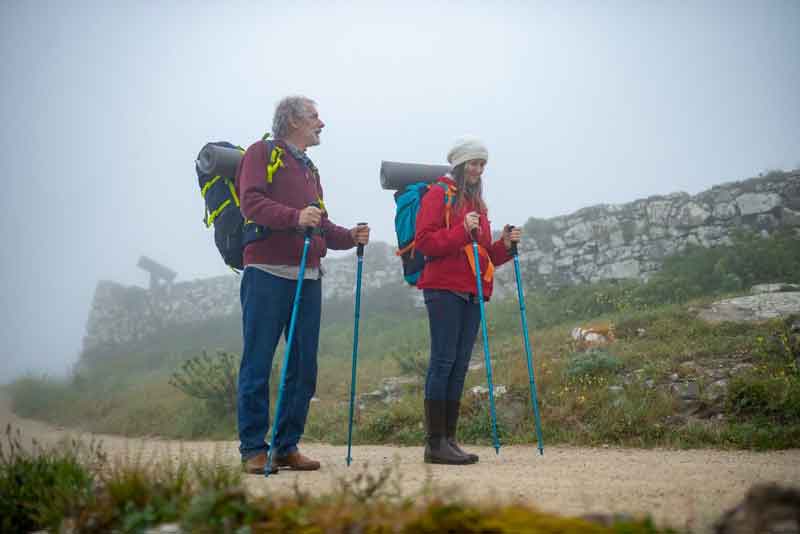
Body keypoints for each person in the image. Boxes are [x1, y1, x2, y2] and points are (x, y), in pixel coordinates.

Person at [236, 96, 370, 473]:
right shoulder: (261, 153)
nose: (321, 123)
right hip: (266, 272)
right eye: (314, 116)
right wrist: (296, 216)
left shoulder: (310, 169)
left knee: (303, 366)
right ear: (293, 120)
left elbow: (320, 224)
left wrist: (350, 236)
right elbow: (251, 204)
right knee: (258, 361)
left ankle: (285, 446)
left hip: (308, 277)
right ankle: (252, 449)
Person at [414, 136, 521, 465]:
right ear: (459, 165)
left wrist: (505, 244)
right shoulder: (438, 194)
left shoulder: (478, 204)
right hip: (443, 288)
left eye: (482, 164)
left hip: (472, 291)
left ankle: (449, 440)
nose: (477, 169)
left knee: (459, 366)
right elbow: (425, 242)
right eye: (473, 163)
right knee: (444, 361)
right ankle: (435, 443)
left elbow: (484, 254)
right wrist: (462, 229)